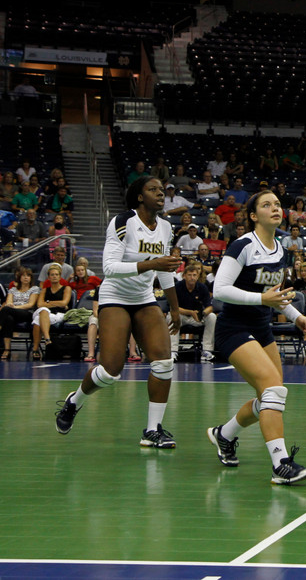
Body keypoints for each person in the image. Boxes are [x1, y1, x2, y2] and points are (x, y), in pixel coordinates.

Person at [55, 176, 183, 449]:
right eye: (153, 190)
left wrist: (174, 307)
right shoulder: (123, 222)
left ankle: (152, 430)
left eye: (162, 190)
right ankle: (73, 402)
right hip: (114, 296)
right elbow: (110, 268)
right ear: (139, 196)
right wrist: (152, 263)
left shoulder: (166, 227)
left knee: (163, 363)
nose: (160, 194)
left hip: (145, 298)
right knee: (110, 371)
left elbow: (165, 268)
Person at [206, 190, 306, 484]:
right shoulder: (242, 245)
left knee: (269, 396)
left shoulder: (280, 249)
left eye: (278, 204)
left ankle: (224, 434)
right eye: (267, 205)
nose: (275, 208)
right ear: (254, 215)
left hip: (262, 328)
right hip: (234, 328)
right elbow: (220, 290)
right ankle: (281, 465)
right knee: (273, 390)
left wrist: (297, 317)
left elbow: (276, 297)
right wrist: (261, 300)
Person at [169, 262, 217, 362]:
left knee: (212, 316)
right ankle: (173, 351)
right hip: (181, 316)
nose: (192, 277)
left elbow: (210, 307)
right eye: (189, 275)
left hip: (197, 317)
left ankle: (207, 350)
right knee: (170, 316)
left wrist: (201, 314)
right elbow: (174, 307)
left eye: (194, 275)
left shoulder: (202, 287)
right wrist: (190, 312)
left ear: (198, 276)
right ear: (184, 276)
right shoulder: (177, 287)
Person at [1, 266, 39, 360]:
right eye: (23, 276)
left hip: (27, 313)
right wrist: (11, 306)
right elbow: (9, 302)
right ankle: (7, 349)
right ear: (19, 278)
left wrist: (15, 307)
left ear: (31, 278)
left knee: (6, 310)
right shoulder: (12, 290)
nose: (26, 277)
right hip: (12, 313)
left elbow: (30, 304)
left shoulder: (35, 289)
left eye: (28, 276)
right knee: (8, 319)